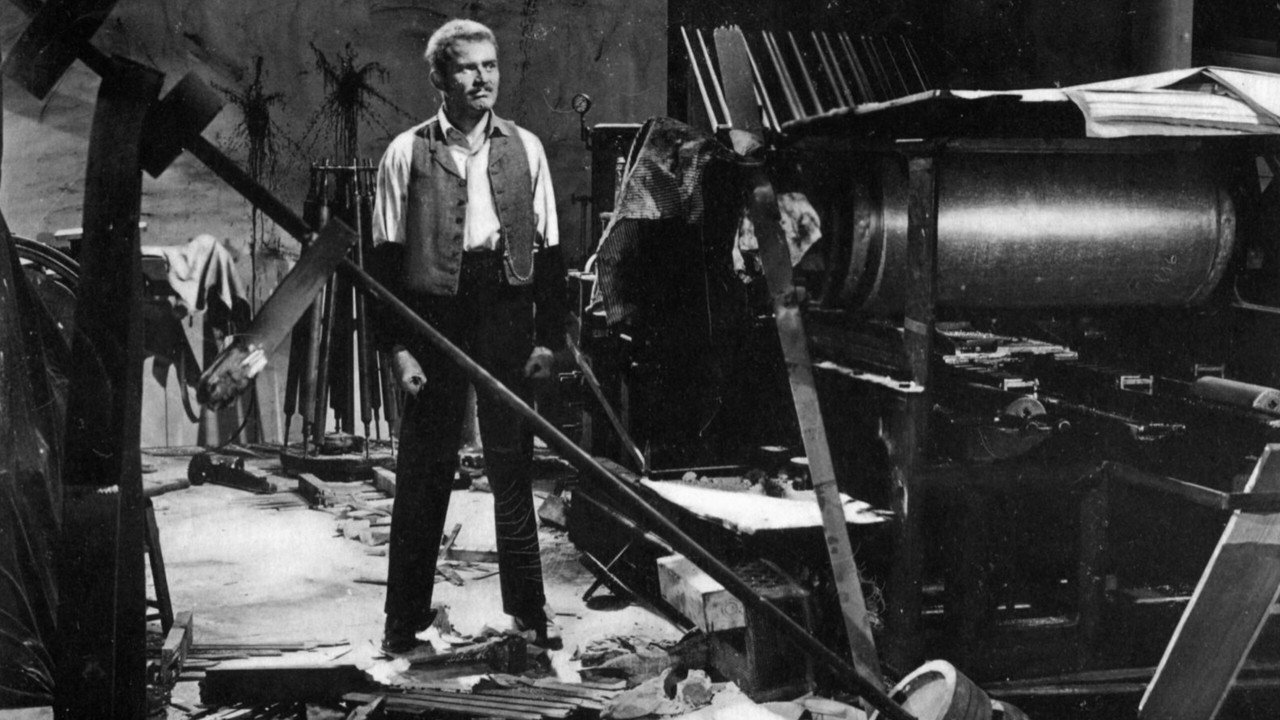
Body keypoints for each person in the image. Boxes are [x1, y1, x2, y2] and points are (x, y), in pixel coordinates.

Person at [370, 17, 567, 656]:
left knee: (513, 464)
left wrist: (549, 339)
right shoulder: (406, 152)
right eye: (467, 68)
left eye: (490, 65)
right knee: (425, 468)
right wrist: (398, 348)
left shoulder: (526, 148)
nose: (483, 79)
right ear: (439, 78)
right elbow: (383, 264)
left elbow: (551, 251)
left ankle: (530, 613)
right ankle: (402, 620)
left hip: (505, 310)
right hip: (435, 319)